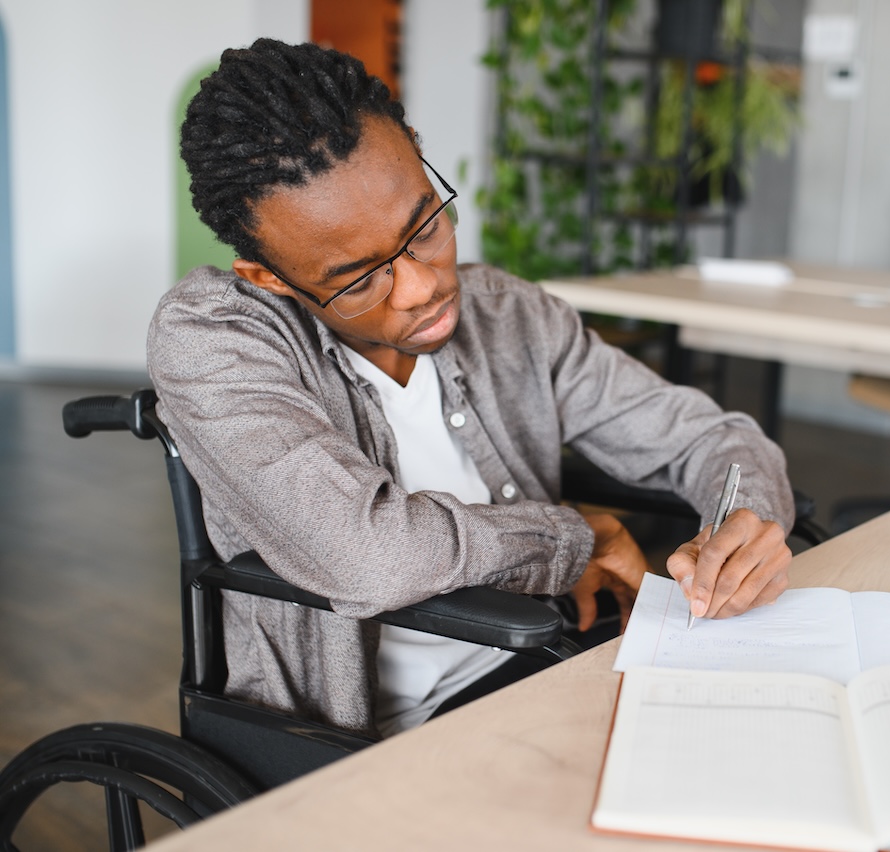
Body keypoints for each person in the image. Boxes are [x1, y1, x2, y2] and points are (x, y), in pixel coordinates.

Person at [150, 38, 794, 738]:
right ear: (269, 277)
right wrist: (572, 539)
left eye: (424, 225)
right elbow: (370, 559)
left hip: (543, 660)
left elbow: (711, 438)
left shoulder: (508, 315)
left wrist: (745, 522)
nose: (424, 286)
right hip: (368, 736)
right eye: (360, 278)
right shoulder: (213, 339)